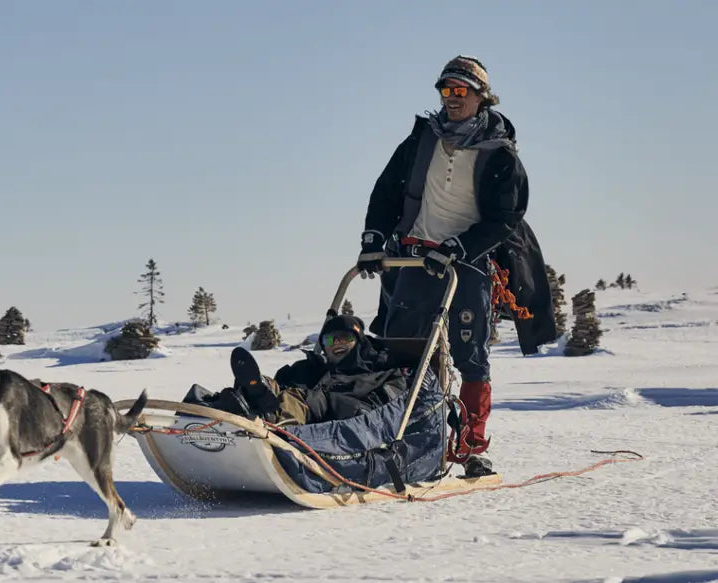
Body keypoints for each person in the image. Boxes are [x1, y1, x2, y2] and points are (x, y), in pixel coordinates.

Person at [354, 56, 556, 471]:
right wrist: (374, 238)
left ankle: (468, 451)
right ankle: (408, 443)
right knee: (401, 352)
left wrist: (460, 247)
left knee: (470, 358)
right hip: (413, 259)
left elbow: (506, 219)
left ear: (481, 96)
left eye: (461, 90)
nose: (451, 98)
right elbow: (386, 190)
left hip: (468, 265)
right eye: (446, 90)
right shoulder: (419, 141)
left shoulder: (501, 156)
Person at [185, 316, 407, 426]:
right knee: (271, 385)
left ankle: (268, 413)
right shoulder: (309, 368)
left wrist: (326, 401)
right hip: (291, 404)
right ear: (323, 344)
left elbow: (380, 413)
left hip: (334, 417)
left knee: (299, 399)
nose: (337, 343)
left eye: (345, 338)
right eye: (331, 339)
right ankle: (217, 408)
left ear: (358, 341)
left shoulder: (383, 373)